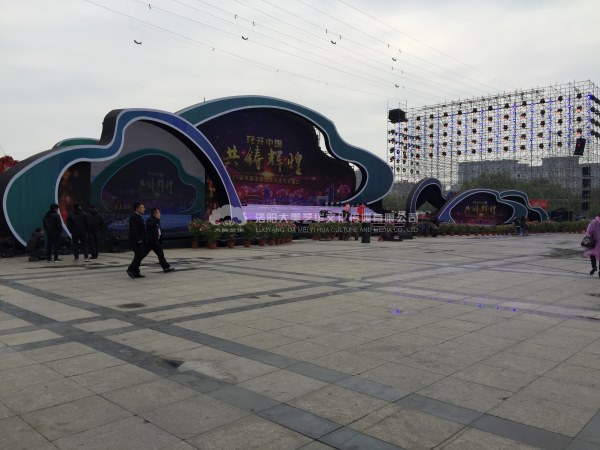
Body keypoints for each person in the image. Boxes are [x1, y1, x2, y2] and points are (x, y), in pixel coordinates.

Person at [145, 208, 175, 273]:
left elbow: (158, 229)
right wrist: (157, 220)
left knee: (161, 254)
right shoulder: (149, 219)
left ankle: (166, 268)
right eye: (158, 213)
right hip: (151, 242)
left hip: (156, 242)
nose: (159, 214)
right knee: (142, 255)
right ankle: (133, 267)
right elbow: (151, 226)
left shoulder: (156, 220)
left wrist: (160, 238)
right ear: (154, 213)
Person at [126, 202, 147, 279]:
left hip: (141, 240)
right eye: (142, 207)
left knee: (139, 255)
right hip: (136, 240)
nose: (144, 209)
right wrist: (138, 239)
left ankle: (136, 272)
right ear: (137, 209)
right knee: (139, 255)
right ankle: (130, 269)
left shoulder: (139, 217)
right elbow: (133, 230)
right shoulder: (134, 217)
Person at [584, 212, 600, 276]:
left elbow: (589, 231)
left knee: (592, 254)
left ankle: (594, 267)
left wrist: (588, 236)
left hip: (594, 241)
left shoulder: (594, 221)